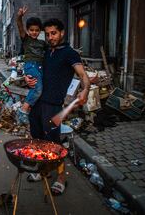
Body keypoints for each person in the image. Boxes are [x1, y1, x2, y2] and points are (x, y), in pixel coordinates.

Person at [25, 18, 90, 196]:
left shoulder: (70, 53)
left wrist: (85, 90)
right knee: (37, 138)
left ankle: (61, 177)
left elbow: (83, 75)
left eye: (53, 33)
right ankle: (42, 170)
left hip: (54, 106)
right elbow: (32, 67)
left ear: (61, 33)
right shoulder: (45, 51)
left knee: (54, 142)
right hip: (37, 103)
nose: (50, 37)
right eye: (47, 34)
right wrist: (27, 78)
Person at [16, 6, 46, 125]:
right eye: (32, 30)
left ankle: (28, 110)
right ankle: (23, 109)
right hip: (31, 66)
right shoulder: (26, 39)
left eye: (36, 30)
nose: (34, 32)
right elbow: (19, 26)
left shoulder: (42, 43)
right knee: (38, 89)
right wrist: (19, 16)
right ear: (28, 30)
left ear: (40, 31)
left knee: (37, 88)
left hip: (39, 66)